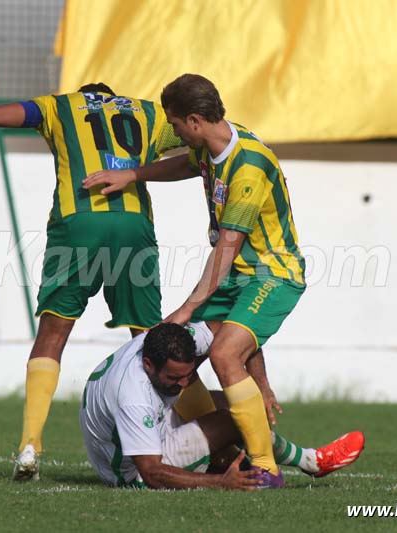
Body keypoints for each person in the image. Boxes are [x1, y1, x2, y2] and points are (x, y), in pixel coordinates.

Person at [0, 83, 182, 481]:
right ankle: (192, 439)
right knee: (153, 340)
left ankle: (30, 445)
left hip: (78, 223)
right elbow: (198, 142)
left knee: (53, 333)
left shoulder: (59, 107)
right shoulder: (147, 112)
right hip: (132, 226)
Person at [83, 74, 306, 487]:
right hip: (237, 276)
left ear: (195, 121)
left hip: (271, 274)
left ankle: (268, 470)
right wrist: (133, 175)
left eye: (176, 124)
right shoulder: (208, 147)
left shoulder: (249, 166)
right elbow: (187, 164)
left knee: (222, 355)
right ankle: (263, 452)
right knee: (187, 355)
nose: (173, 131)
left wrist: (187, 307)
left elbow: (228, 246)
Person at [81, 322, 364, 489]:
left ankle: (233, 461)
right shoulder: (133, 396)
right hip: (131, 471)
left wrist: (260, 384)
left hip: (148, 428)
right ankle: (310, 460)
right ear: (148, 365)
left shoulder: (171, 342)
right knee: (234, 420)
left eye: (186, 375)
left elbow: (235, 331)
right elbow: (151, 472)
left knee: (237, 404)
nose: (181, 385)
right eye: (173, 378)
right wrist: (220, 484)